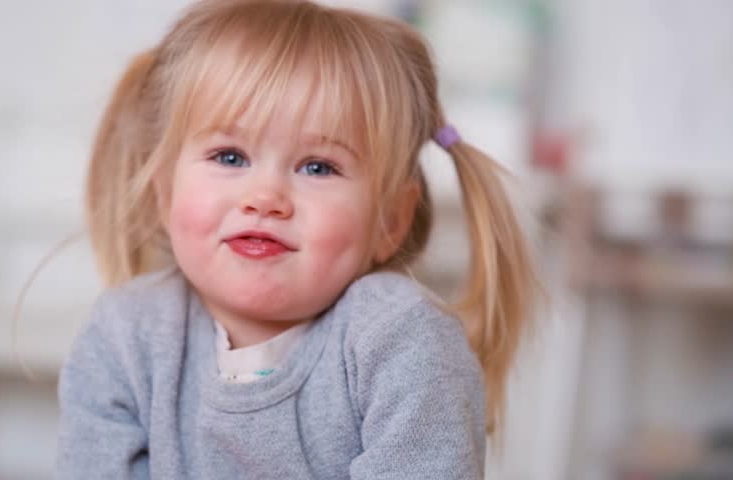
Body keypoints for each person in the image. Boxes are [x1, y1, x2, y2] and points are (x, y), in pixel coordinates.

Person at [56, 0, 541, 478]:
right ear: (164, 192)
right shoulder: (123, 335)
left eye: (318, 167)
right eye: (229, 157)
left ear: (389, 221)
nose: (265, 197)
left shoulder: (403, 343)